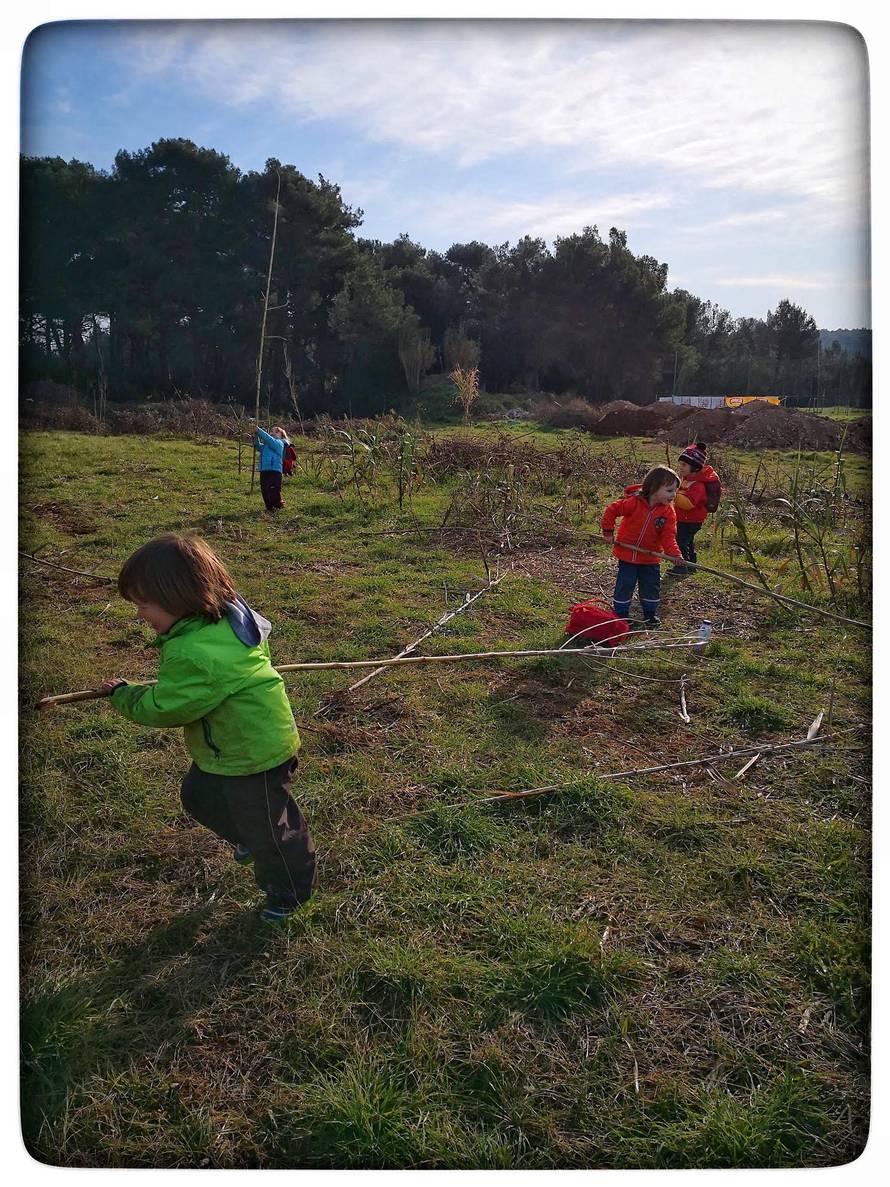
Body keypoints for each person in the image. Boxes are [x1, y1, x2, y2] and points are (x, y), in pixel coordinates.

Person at [100, 533, 316, 924]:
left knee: (271, 829)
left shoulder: (193, 653)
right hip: (233, 748)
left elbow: (166, 706)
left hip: (252, 754)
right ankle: (249, 837)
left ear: (176, 598)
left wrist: (125, 696)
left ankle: (290, 892)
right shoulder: (228, 617)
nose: (139, 615)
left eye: (143, 605)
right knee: (199, 796)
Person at [601, 466, 684, 627]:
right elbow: (612, 510)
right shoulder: (634, 503)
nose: (673, 495)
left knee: (651, 585)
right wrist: (608, 532)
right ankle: (621, 613)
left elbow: (668, 536)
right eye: (669, 491)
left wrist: (674, 554)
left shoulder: (668, 513)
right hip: (628, 555)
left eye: (675, 491)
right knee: (625, 584)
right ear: (654, 488)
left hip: (650, 558)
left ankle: (650, 614)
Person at [669, 442, 720, 576]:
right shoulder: (687, 480)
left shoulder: (697, 485)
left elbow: (689, 504)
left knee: (680, 541)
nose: (681, 467)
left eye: (684, 465)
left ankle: (682, 567)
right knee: (687, 541)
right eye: (681, 464)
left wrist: (674, 495)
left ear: (695, 467)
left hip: (690, 520)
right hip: (685, 518)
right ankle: (691, 565)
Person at [254, 425, 289, 511]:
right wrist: (255, 436)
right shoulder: (265, 446)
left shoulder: (279, 443)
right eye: (271, 431)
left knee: (273, 489)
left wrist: (259, 431)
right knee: (265, 489)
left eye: (276, 432)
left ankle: (278, 505)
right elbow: (258, 446)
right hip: (264, 470)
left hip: (274, 470)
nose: (273, 433)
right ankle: (269, 507)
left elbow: (270, 441)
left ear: (282, 435)